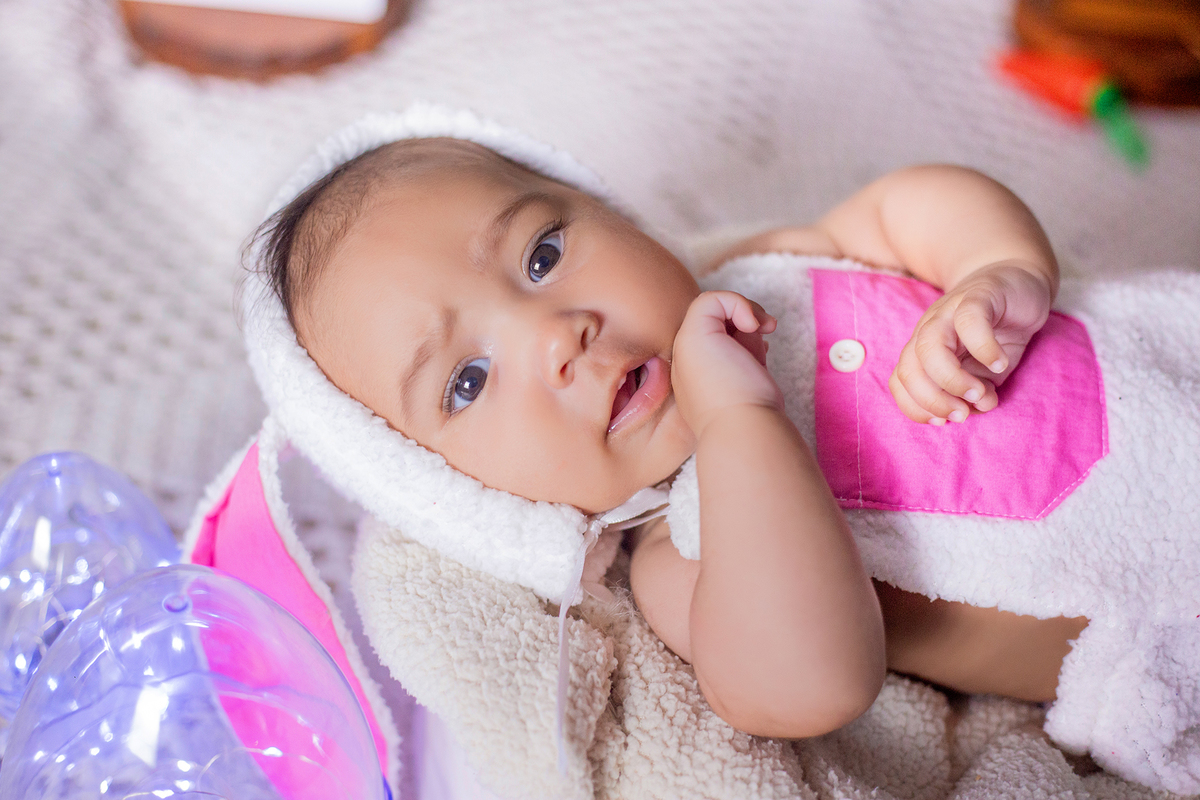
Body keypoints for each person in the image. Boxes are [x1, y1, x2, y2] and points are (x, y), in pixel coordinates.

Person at [253, 133, 1090, 742]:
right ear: (459, 496)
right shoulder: (679, 549)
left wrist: (994, 267)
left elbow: (904, 205)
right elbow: (813, 680)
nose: (557, 335)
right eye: (467, 382)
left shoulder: (760, 270)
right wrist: (739, 423)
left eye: (542, 254)